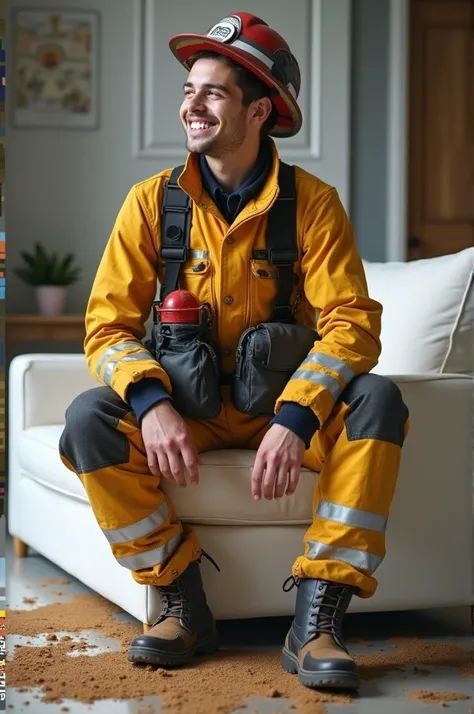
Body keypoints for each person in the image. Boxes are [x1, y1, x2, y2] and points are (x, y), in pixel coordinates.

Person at [59, 12, 409, 692]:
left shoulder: (314, 207)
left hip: (281, 412)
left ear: (260, 110)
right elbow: (106, 328)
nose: (190, 104)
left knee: (377, 401)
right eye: (189, 89)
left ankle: (317, 619)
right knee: (87, 420)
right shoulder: (150, 204)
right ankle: (182, 599)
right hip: (187, 415)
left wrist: (299, 414)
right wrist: (152, 403)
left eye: (212, 92)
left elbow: (352, 325)